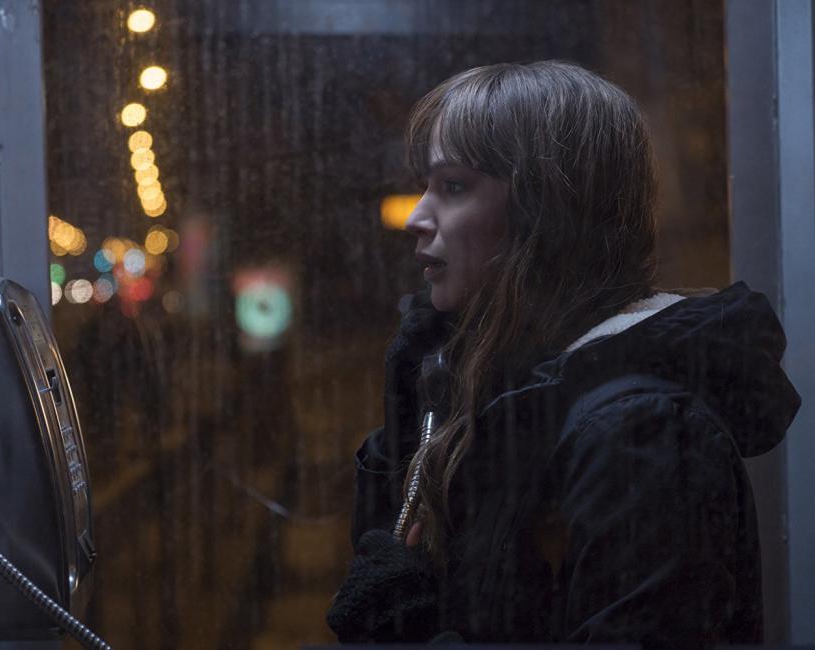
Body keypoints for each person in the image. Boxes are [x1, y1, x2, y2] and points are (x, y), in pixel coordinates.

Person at [326, 61, 801, 646]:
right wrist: (406, 427)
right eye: (426, 185)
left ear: (545, 214)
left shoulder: (642, 432)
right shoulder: (513, 398)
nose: (417, 218)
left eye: (453, 186)